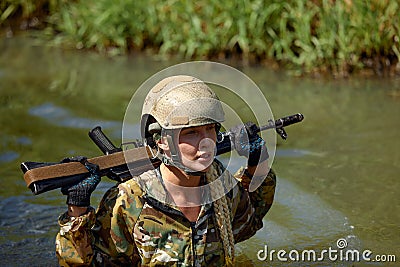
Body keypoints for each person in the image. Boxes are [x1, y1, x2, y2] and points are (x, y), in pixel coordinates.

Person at [55, 75, 276, 266]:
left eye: (210, 129)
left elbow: (251, 217)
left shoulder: (221, 185)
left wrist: (258, 156)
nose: (206, 142)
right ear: (161, 140)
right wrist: (78, 209)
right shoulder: (129, 202)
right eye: (191, 133)